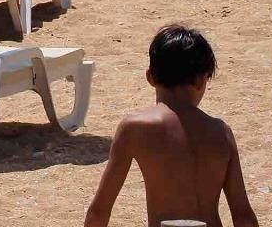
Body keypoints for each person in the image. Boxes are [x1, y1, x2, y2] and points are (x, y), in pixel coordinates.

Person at [84, 25, 258, 227]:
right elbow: (243, 215)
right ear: (202, 81)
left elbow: (99, 211)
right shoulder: (221, 132)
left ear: (150, 77)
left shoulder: (135, 128)